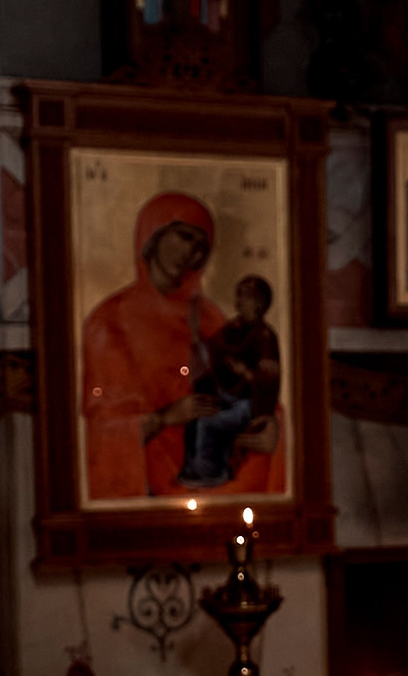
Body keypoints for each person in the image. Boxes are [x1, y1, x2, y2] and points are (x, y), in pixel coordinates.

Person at [80, 192, 284, 500]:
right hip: (149, 482)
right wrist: (163, 418)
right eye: (184, 236)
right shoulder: (110, 320)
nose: (190, 252)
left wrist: (271, 425)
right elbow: (99, 426)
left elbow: (246, 386)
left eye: (200, 246)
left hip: (218, 472)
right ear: (153, 233)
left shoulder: (210, 317)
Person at [179, 274, 282, 490]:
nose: (238, 303)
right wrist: (195, 331)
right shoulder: (233, 328)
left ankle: (210, 471)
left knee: (210, 421)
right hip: (227, 394)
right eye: (238, 297)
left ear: (259, 303)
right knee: (197, 410)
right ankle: (193, 466)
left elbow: (267, 381)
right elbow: (212, 351)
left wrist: (244, 372)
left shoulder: (264, 336)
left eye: (244, 297)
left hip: (248, 404)